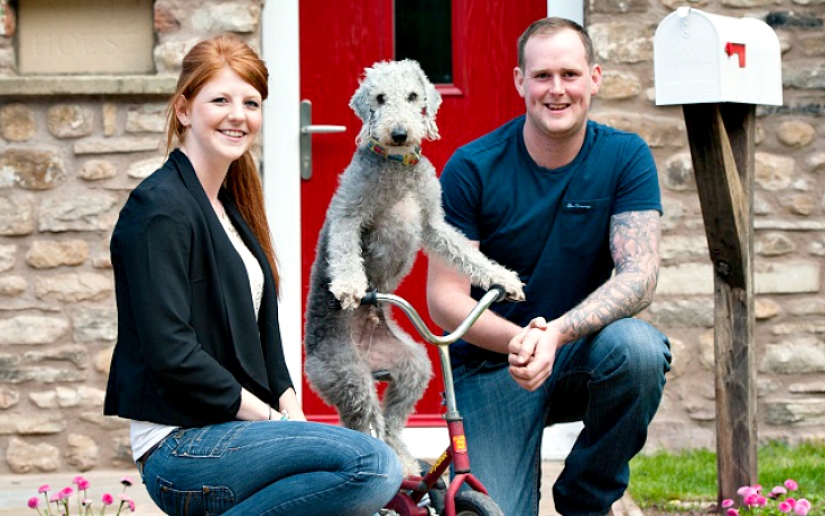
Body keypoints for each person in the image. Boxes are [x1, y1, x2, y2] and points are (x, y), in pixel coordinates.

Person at [104, 34, 402, 516]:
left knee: (370, 476)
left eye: (251, 102)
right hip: (181, 446)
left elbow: (262, 334)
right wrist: (270, 420)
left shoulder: (230, 207)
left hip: (231, 433)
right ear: (184, 110)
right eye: (220, 99)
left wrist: (292, 412)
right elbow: (172, 354)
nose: (238, 114)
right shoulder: (158, 210)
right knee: (372, 466)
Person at [426, 17, 672, 516]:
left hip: (581, 355)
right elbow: (444, 299)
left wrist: (554, 335)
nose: (556, 90)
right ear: (520, 81)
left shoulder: (626, 157)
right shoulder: (472, 167)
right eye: (541, 76)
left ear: (595, 78)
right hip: (494, 364)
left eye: (570, 74)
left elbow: (639, 275)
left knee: (641, 351)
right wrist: (520, 342)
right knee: (492, 512)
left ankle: (585, 500)